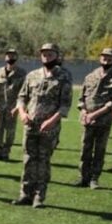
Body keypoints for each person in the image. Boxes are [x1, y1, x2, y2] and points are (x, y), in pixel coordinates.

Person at [13, 43, 72, 207]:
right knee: (28, 159)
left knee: (43, 161)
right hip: (30, 125)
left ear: (57, 56)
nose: (46, 57)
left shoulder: (64, 76)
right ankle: (25, 194)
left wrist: (51, 121)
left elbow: (65, 105)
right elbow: (21, 97)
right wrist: (22, 113)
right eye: (44, 54)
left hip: (49, 127)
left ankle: (39, 196)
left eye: (50, 54)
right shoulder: (32, 75)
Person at [75, 48, 112, 189]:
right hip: (87, 120)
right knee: (85, 149)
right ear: (100, 58)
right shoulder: (90, 76)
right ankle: (83, 177)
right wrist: (84, 112)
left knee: (99, 150)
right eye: (104, 57)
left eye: (110, 58)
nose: (106, 60)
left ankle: (94, 179)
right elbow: (81, 98)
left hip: (103, 120)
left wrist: (95, 114)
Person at [0, 48, 27, 160]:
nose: (10, 58)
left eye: (13, 56)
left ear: (16, 57)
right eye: (8, 56)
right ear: (5, 57)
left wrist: (18, 107)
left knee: (10, 131)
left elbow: (24, 92)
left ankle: (5, 152)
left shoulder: (21, 73)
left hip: (12, 107)